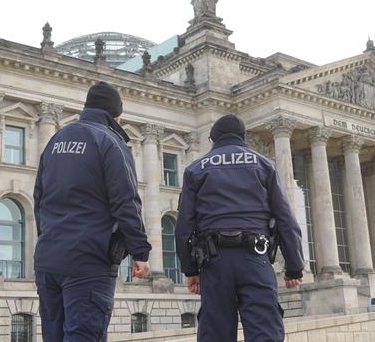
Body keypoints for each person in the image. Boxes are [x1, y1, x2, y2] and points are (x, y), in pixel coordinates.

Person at [34, 81, 152, 341]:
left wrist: (49, 238)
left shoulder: (56, 140)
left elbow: (39, 199)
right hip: (88, 260)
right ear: (116, 115)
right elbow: (126, 201)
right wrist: (140, 252)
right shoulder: (110, 141)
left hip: (48, 260)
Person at [176, 115, 305, 342]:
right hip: (255, 259)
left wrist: (190, 270)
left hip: (213, 263)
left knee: (215, 335)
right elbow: (285, 219)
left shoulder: (195, 169)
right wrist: (294, 268)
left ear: (212, 140)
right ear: (243, 138)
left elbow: (183, 226)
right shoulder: (264, 165)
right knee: (265, 334)